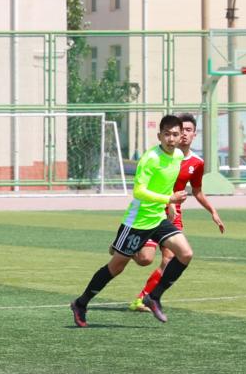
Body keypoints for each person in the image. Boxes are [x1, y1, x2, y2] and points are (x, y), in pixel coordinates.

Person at [70, 114, 193, 327]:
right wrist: (169, 199)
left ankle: (153, 297)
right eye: (167, 134)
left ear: (180, 135)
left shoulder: (178, 156)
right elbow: (139, 191)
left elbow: (165, 183)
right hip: (137, 222)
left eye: (175, 134)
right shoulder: (150, 158)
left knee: (185, 254)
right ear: (159, 136)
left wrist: (170, 204)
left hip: (158, 218)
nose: (171, 139)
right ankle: (81, 303)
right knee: (116, 267)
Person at [128, 112, 225, 312]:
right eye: (183, 130)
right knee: (145, 259)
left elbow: (197, 191)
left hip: (174, 215)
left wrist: (213, 212)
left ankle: (143, 298)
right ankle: (124, 248)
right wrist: (168, 201)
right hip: (152, 210)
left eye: (189, 130)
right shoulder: (164, 155)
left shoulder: (196, 163)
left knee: (170, 259)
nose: (185, 134)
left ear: (194, 134)